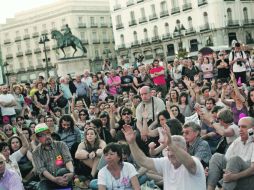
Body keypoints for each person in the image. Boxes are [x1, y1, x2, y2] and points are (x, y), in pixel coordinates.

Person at [122, 125, 206, 189]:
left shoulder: (194, 162)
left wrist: (171, 144)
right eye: (168, 150)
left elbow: (190, 164)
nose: (170, 154)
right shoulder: (166, 161)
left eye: (173, 150)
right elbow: (143, 161)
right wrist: (132, 143)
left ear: (185, 150)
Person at [207, 117, 254, 190]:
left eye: (244, 127)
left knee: (235, 160)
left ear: (252, 129)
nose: (240, 130)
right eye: (239, 127)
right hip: (233, 176)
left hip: (249, 181)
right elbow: (227, 160)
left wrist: (234, 176)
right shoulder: (238, 141)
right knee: (216, 157)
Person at [32, 123, 74, 190]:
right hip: (47, 180)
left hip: (62, 175)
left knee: (63, 171)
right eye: (43, 135)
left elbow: (68, 160)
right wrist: (54, 179)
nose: (47, 136)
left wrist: (71, 173)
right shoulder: (36, 152)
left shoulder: (61, 145)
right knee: (43, 187)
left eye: (48, 133)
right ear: (38, 138)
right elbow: (42, 170)